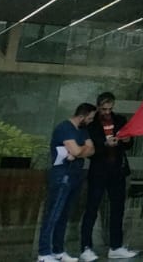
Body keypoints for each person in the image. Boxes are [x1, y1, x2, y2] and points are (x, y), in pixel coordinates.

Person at [80, 92, 136, 261]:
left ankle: (116, 246)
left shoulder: (119, 120)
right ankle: (85, 246)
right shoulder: (92, 122)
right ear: (98, 107)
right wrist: (104, 144)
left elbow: (129, 144)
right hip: (98, 170)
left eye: (109, 109)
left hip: (117, 170)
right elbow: (89, 148)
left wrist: (126, 140)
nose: (106, 112)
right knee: (92, 209)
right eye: (103, 109)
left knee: (117, 209)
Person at [38, 103, 96, 262]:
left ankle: (58, 250)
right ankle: (43, 252)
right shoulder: (64, 127)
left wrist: (79, 151)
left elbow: (91, 150)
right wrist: (80, 151)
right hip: (62, 174)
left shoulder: (82, 130)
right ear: (82, 116)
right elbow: (79, 150)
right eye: (90, 118)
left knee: (64, 214)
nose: (91, 121)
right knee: (53, 214)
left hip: (75, 174)